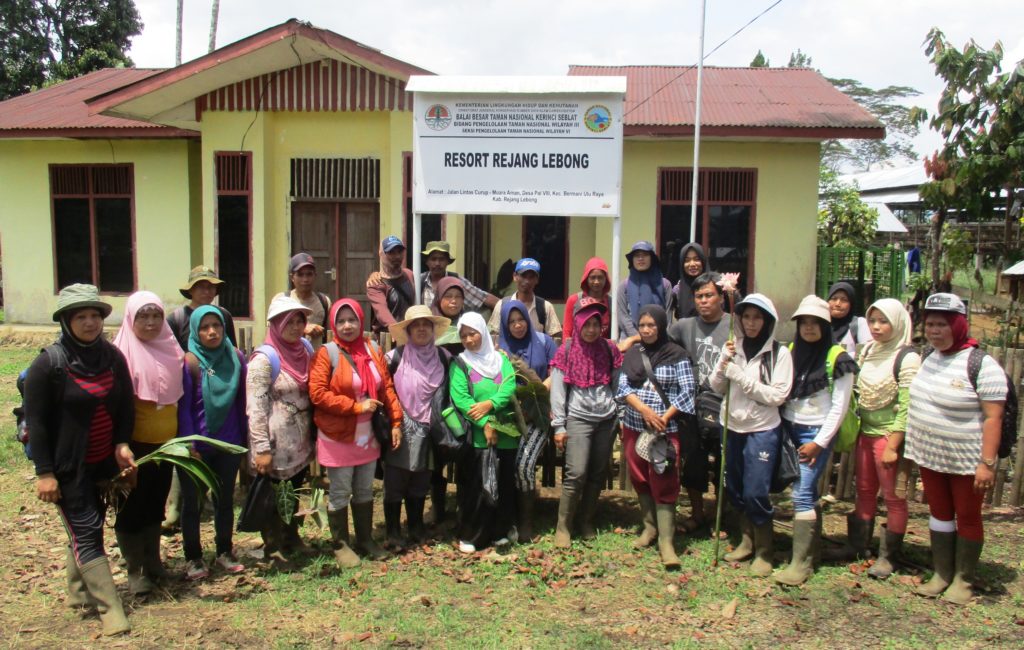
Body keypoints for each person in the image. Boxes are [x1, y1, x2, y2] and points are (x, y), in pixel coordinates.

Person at [26, 284, 135, 636]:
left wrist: (121, 444)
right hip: (67, 466)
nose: (90, 323)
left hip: (102, 461)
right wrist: (44, 473)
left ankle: (78, 595)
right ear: (66, 321)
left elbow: (125, 407)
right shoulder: (49, 365)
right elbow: (38, 425)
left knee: (88, 526)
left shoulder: (112, 357)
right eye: (81, 317)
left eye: (95, 316)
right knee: (87, 530)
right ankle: (110, 610)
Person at [906, 293, 1006, 605]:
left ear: (959, 325)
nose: (934, 331)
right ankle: (941, 572)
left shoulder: (981, 365)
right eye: (930, 324)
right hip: (932, 455)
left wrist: (986, 464)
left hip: (967, 461)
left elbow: (994, 417)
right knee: (939, 514)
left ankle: (963, 579)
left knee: (968, 515)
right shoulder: (929, 357)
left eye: (942, 325)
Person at [826, 298, 918, 576]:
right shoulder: (869, 351)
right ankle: (857, 545)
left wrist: (894, 445)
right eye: (873, 321)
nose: (876, 327)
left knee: (893, 497)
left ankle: (889, 556)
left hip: (889, 437)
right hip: (865, 433)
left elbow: (907, 404)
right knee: (864, 490)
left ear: (898, 323)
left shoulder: (907, 357)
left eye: (883, 321)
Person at [309, 298, 402, 566]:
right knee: (340, 491)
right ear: (333, 324)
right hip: (338, 435)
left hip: (367, 435)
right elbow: (317, 394)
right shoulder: (327, 354)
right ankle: (340, 544)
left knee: (363, 489)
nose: (347, 325)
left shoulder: (372, 349)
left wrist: (396, 422)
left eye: (352, 320)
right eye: (341, 320)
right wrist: (355, 406)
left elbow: (386, 387)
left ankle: (365, 539)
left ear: (361, 321)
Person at [773, 296, 857, 586]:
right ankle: (813, 552)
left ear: (825, 325)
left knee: (801, 493)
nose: (809, 328)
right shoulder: (792, 351)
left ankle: (801, 563)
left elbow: (839, 406)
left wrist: (820, 442)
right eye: (804, 323)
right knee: (803, 492)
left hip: (816, 432)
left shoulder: (838, 358)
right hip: (790, 428)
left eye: (815, 323)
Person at [710, 294, 792, 577]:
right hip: (731, 425)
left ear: (768, 321)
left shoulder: (779, 354)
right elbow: (716, 385)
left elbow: (778, 395)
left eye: (757, 318)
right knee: (734, 487)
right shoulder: (734, 347)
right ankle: (746, 541)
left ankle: (764, 552)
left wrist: (742, 377)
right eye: (746, 317)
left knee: (756, 491)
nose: (751, 323)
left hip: (761, 429)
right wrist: (724, 362)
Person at [112, 291, 184, 595]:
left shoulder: (171, 348)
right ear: (131, 318)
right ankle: (134, 569)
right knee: (131, 506)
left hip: (164, 443)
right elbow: (114, 407)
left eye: (156, 315)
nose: (151, 322)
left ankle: (154, 562)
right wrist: (120, 445)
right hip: (132, 445)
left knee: (156, 502)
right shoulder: (119, 354)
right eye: (144, 316)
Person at [617, 305, 696, 569]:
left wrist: (664, 416)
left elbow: (687, 391)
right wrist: (643, 409)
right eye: (643, 325)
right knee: (639, 476)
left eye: (652, 325)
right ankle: (649, 528)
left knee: (663, 478)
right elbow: (623, 386)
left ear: (661, 326)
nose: (647, 330)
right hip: (634, 424)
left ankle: (666, 542)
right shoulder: (634, 353)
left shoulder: (678, 355)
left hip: (664, 429)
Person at [177, 306, 248, 580]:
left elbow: (241, 401)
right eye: (205, 327)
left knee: (225, 500)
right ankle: (193, 557)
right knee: (192, 503)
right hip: (196, 447)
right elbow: (183, 407)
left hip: (227, 444)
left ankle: (224, 551)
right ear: (196, 330)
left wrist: (242, 441)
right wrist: (188, 443)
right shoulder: (189, 362)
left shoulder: (235, 358)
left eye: (216, 326)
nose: (212, 332)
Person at [246, 296, 316, 567]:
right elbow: (255, 407)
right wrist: (261, 449)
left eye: (300, 321)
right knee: (272, 498)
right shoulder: (263, 360)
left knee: (294, 492)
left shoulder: (305, 350)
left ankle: (292, 537)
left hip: (298, 443)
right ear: (276, 324)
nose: (296, 326)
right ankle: (273, 547)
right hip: (274, 445)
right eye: (290, 321)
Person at [550, 302, 623, 547]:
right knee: (576, 473)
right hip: (578, 418)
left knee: (597, 473)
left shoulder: (609, 349)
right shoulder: (567, 350)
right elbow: (558, 391)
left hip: (606, 419)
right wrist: (559, 426)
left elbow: (616, 384)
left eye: (596, 324)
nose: (591, 330)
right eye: (587, 324)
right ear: (578, 324)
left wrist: (618, 415)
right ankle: (563, 526)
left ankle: (585, 520)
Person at [449, 312, 518, 553]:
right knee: (477, 489)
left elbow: (509, 385)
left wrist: (491, 404)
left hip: (507, 434)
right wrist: (486, 423)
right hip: (478, 438)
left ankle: (500, 532)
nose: (469, 340)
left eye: (473, 333)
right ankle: (473, 537)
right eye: (464, 335)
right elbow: (461, 398)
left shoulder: (500, 359)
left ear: (483, 332)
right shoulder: (460, 363)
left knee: (504, 484)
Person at [383, 305, 452, 548]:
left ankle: (415, 526)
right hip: (401, 425)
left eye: (426, 324)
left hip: (431, 428)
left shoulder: (444, 358)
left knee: (422, 478)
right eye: (416, 325)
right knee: (395, 478)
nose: (421, 329)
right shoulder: (394, 358)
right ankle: (392, 530)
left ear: (433, 329)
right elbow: (383, 389)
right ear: (408, 330)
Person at [667, 272, 731, 532]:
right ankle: (697, 514)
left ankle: (721, 516)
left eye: (709, 295)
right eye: (699, 296)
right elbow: (660, 340)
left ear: (721, 298)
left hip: (725, 405)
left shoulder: (734, 324)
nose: (703, 301)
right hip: (692, 405)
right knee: (694, 462)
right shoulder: (684, 325)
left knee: (724, 465)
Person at [496, 299, 558, 540]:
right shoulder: (499, 348)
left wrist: (538, 393)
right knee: (506, 465)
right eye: (511, 322)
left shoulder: (544, 342)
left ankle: (526, 523)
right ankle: (507, 518)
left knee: (523, 464)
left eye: (521, 319)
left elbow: (557, 372)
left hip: (539, 415)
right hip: (510, 414)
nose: (518, 325)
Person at [488, 258, 562, 339]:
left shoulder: (545, 307)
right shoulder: (502, 305)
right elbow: (493, 336)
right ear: (515, 276)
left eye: (531, 277)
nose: (527, 281)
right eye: (523, 276)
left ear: (537, 280)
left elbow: (556, 337)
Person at [166, 266, 238, 350]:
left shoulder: (224, 315)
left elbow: (231, 350)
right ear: (190, 290)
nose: (207, 291)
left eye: (211, 287)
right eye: (201, 287)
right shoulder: (177, 319)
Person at [420, 241, 499, 312]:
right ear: (427, 261)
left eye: (441, 259)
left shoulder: (456, 281)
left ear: (447, 262)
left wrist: (508, 308)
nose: (437, 263)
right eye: (433, 259)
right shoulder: (418, 281)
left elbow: (484, 298)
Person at [617, 241, 672, 341]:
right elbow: (623, 316)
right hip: (630, 341)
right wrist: (639, 337)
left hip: (658, 340)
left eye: (645, 255)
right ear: (632, 260)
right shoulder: (624, 286)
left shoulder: (665, 285)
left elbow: (667, 315)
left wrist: (658, 337)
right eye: (637, 255)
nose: (640, 258)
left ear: (652, 258)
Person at [274, 252, 331, 348]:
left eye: (309, 274)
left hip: (316, 359)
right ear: (292, 277)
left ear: (315, 276)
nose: (305, 279)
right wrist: (303, 329)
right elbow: (273, 331)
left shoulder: (324, 302)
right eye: (300, 275)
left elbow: (330, 334)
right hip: (288, 357)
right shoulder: (281, 300)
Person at [366, 236, 417, 333]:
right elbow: (382, 312)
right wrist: (397, 330)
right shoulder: (376, 283)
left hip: (409, 335)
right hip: (387, 338)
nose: (397, 256)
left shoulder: (409, 275)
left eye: (399, 252)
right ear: (381, 254)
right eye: (391, 253)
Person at [561, 257, 612, 339]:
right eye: (593, 277)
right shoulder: (574, 300)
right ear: (586, 278)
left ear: (606, 279)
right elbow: (567, 333)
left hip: (602, 350)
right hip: (578, 350)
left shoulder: (611, 303)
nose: (596, 282)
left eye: (600, 277)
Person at [827, 282, 871, 357]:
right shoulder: (821, 324)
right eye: (834, 299)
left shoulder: (859, 324)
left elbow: (866, 351)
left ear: (851, 304)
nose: (838, 304)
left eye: (844, 300)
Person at [672, 243, 710, 320]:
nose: (692, 264)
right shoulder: (678, 290)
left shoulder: (715, 286)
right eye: (687, 260)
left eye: (697, 259)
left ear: (703, 261)